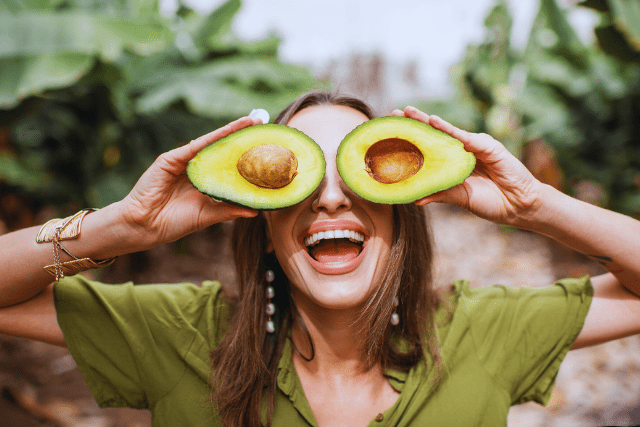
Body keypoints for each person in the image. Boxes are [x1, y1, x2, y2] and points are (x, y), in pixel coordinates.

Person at [0, 90, 639, 427]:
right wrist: (120, 228)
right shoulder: (184, 334)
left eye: (359, 174)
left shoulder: (482, 329)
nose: (331, 196)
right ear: (262, 220)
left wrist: (537, 207)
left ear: (402, 212)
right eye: (301, 177)